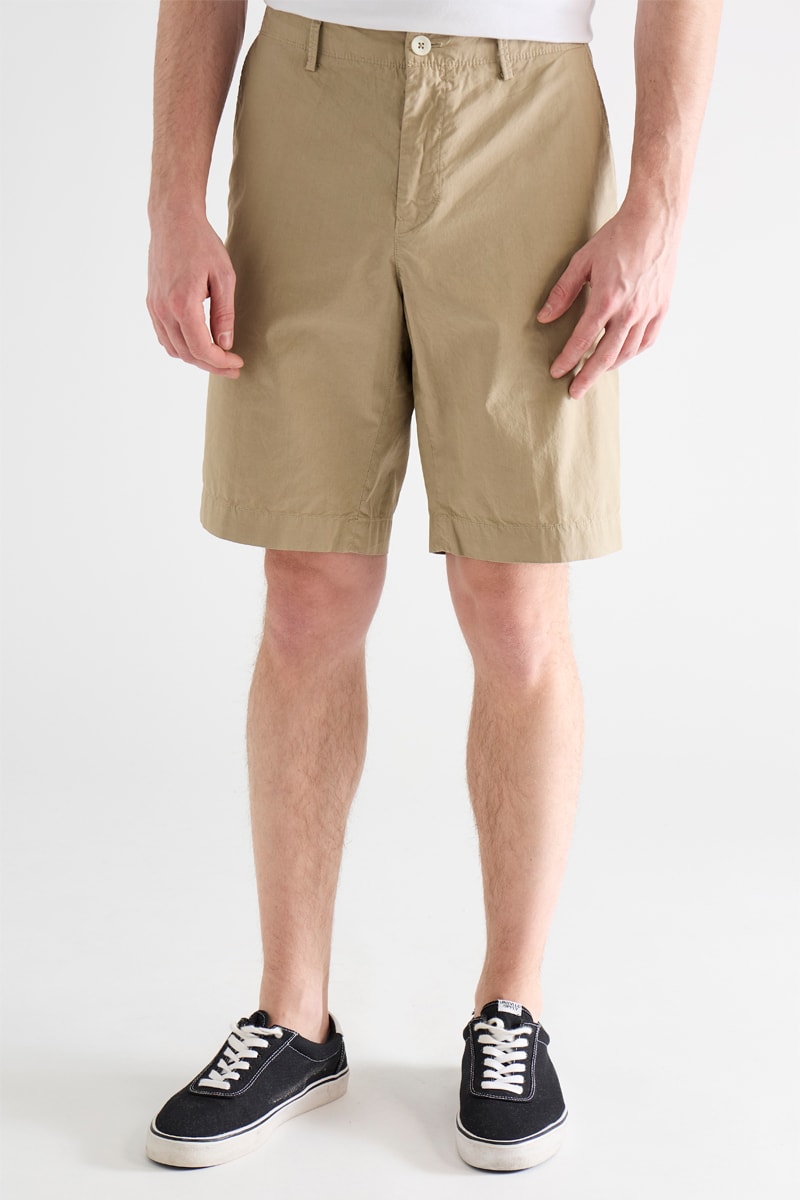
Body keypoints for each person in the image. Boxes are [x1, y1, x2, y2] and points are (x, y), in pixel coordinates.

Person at [144, 0, 722, 1174]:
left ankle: (511, 1008)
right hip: (307, 99)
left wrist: (657, 202)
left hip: (527, 115)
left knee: (512, 598)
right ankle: (292, 1017)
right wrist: (171, 198)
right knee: (305, 585)